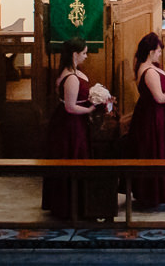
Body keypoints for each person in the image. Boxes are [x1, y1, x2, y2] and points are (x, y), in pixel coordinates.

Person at [41, 40, 111, 217]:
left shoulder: (74, 73)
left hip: (76, 122)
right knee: (72, 158)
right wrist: (90, 109)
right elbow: (70, 107)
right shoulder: (71, 78)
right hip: (69, 125)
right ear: (74, 54)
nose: (86, 56)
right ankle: (69, 204)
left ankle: (79, 201)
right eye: (84, 53)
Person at [127, 31, 165, 211]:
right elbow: (158, 98)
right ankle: (154, 194)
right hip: (153, 118)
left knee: (156, 152)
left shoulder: (146, 65)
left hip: (153, 115)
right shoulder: (148, 71)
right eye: (158, 50)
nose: (160, 53)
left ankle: (155, 194)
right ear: (150, 51)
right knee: (155, 152)